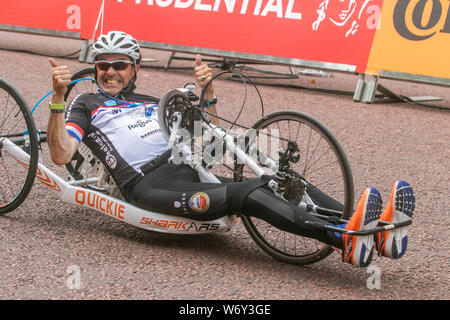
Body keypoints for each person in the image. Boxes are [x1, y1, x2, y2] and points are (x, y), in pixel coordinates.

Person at [47, 31, 415, 267]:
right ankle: (341, 239)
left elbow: (207, 132)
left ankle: (366, 226)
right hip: (150, 184)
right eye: (103, 66)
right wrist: (60, 98)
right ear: (95, 69)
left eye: (120, 66)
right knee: (247, 193)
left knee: (276, 175)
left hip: (185, 165)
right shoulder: (86, 105)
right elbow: (61, 155)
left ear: (135, 68)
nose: (111, 72)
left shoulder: (149, 101)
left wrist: (207, 93)